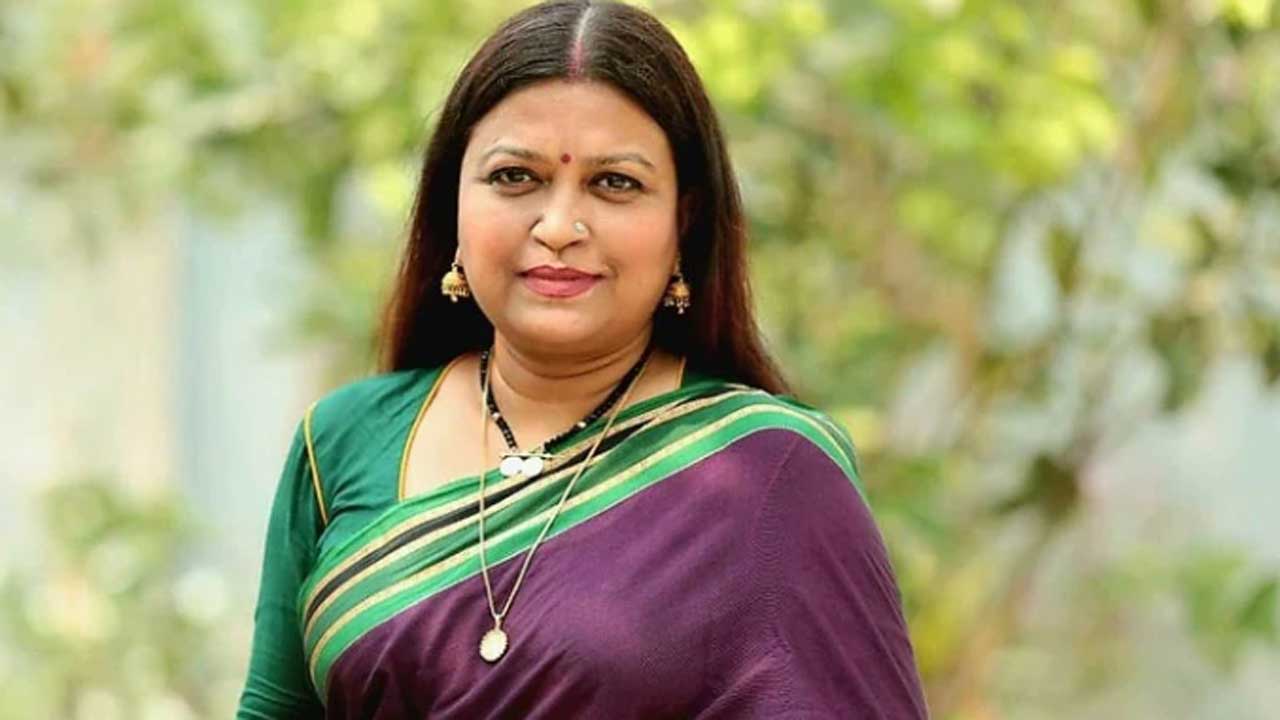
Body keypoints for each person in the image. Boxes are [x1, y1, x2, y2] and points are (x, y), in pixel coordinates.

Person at [236, 1, 928, 717]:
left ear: (684, 220)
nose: (560, 226)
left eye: (614, 183)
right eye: (515, 177)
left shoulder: (771, 472)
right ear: (451, 204)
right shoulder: (341, 441)